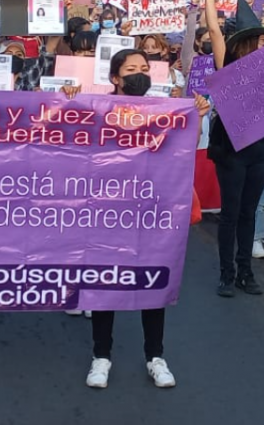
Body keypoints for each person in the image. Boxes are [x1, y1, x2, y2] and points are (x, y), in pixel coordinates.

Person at [85, 48, 210, 390]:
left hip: (151, 212)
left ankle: (155, 356)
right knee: (104, 283)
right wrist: (67, 100)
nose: (139, 73)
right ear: (115, 78)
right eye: (131, 69)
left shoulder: (165, 111)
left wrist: (196, 116)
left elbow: (185, 148)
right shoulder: (95, 110)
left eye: (144, 68)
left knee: (153, 281)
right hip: (107, 213)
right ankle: (101, 356)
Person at [201, 0, 264, 297]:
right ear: (247, 43)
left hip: (262, 148)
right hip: (233, 149)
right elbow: (213, 31)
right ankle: (226, 273)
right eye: (260, 39)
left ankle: (245, 272)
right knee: (231, 213)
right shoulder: (228, 64)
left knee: (249, 212)